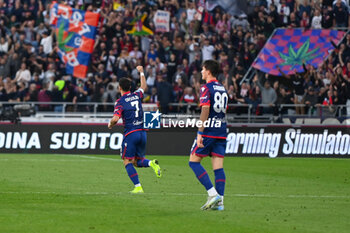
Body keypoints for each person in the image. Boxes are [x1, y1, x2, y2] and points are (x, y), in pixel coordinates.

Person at [108, 66, 161, 194]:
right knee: (137, 162)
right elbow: (144, 86)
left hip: (131, 133)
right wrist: (141, 72)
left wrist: (110, 124)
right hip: (143, 132)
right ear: (131, 87)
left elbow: (115, 119)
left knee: (127, 161)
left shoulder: (120, 102)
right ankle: (151, 163)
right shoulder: (137, 95)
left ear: (119, 88)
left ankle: (138, 187)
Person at [189, 60, 227, 211]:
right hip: (221, 130)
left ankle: (212, 194)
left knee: (193, 162)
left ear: (209, 71)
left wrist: (200, 132)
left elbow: (205, 110)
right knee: (218, 168)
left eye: (203, 69)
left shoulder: (206, 88)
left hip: (209, 131)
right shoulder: (222, 88)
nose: (202, 72)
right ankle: (220, 203)